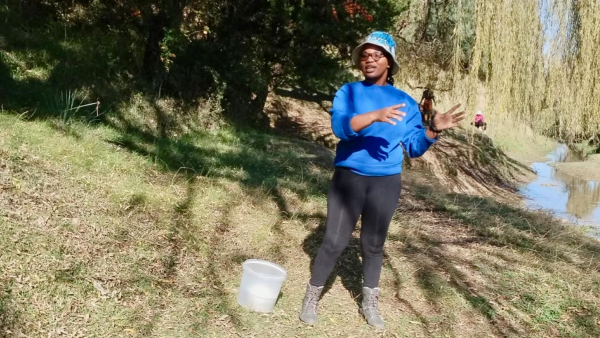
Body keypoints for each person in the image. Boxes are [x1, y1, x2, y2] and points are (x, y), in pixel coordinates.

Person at [299, 31, 465, 329]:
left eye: (376, 55)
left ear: (389, 61)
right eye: (364, 55)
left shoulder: (404, 102)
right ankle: (312, 296)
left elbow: (413, 147)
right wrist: (374, 115)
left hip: (385, 182)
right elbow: (341, 128)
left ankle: (370, 303)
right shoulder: (348, 92)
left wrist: (433, 130)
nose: (369, 60)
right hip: (348, 178)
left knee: (374, 245)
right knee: (334, 242)